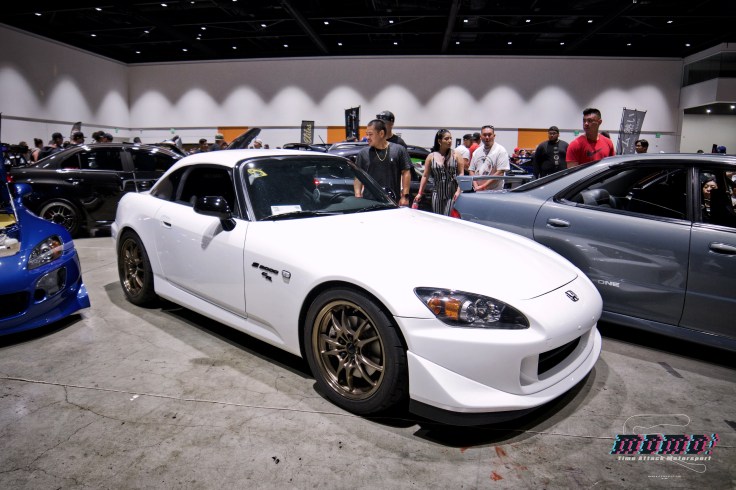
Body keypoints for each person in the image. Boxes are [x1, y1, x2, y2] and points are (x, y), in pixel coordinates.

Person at [353, 119, 412, 206]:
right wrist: (358, 196)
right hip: (369, 201)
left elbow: (406, 172)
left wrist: (405, 196)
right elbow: (358, 177)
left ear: (381, 133)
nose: (367, 137)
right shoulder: (363, 153)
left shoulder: (399, 150)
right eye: (367, 134)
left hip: (392, 200)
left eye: (370, 134)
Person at [415, 129, 463, 215]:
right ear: (439, 141)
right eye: (446, 138)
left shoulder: (456, 155)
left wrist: (458, 190)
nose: (449, 141)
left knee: (448, 217)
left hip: (452, 193)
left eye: (451, 138)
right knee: (437, 217)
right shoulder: (431, 156)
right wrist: (420, 193)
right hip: (437, 193)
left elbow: (461, 174)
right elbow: (425, 175)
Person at [468, 125, 510, 191]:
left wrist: (483, 186)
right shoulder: (476, 152)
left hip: (494, 192)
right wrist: (476, 186)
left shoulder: (501, 151)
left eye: (489, 135)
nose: (487, 137)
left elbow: (500, 172)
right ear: (481, 136)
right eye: (484, 135)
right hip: (477, 191)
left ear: (494, 136)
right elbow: (471, 170)